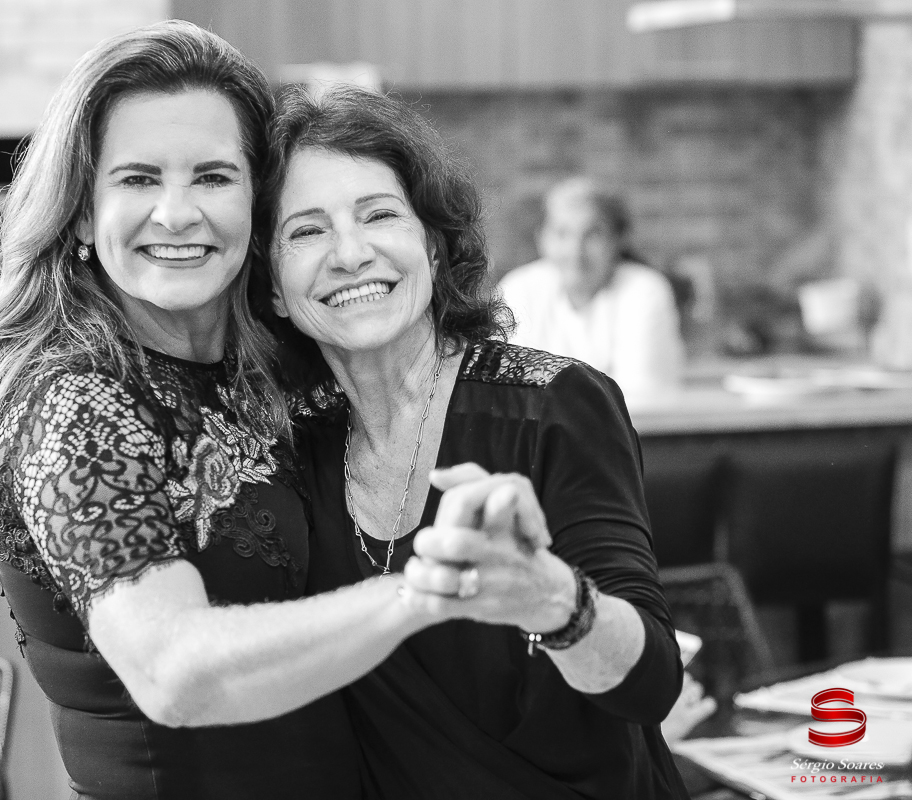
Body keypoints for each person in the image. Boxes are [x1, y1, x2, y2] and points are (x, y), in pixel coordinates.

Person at [0, 22, 479, 800]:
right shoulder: (73, 401)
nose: (177, 214)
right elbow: (174, 674)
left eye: (212, 177)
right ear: (81, 212)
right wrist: (426, 591)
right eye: (138, 179)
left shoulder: (269, 369)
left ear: (256, 203)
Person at [259, 84, 689, 799]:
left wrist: (551, 600)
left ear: (432, 246)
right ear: (272, 287)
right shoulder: (290, 454)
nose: (351, 253)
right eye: (306, 231)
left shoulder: (554, 405)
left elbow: (649, 685)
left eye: (379, 215)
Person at [497, 176, 685, 400]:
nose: (575, 251)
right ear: (542, 239)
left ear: (618, 239)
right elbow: (506, 392)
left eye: (592, 234)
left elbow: (639, 395)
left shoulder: (645, 290)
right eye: (562, 233)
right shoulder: (518, 289)